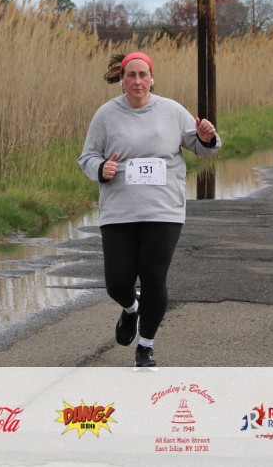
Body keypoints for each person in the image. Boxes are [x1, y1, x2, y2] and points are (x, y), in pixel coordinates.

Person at [78, 52, 221, 368]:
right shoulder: (106, 115)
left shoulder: (171, 111)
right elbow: (87, 157)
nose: (137, 81)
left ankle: (146, 346)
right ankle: (131, 308)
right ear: (122, 80)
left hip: (163, 209)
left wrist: (207, 138)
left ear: (152, 79)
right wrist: (101, 168)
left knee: (154, 277)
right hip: (119, 210)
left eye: (143, 74)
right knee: (118, 283)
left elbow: (204, 149)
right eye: (131, 75)